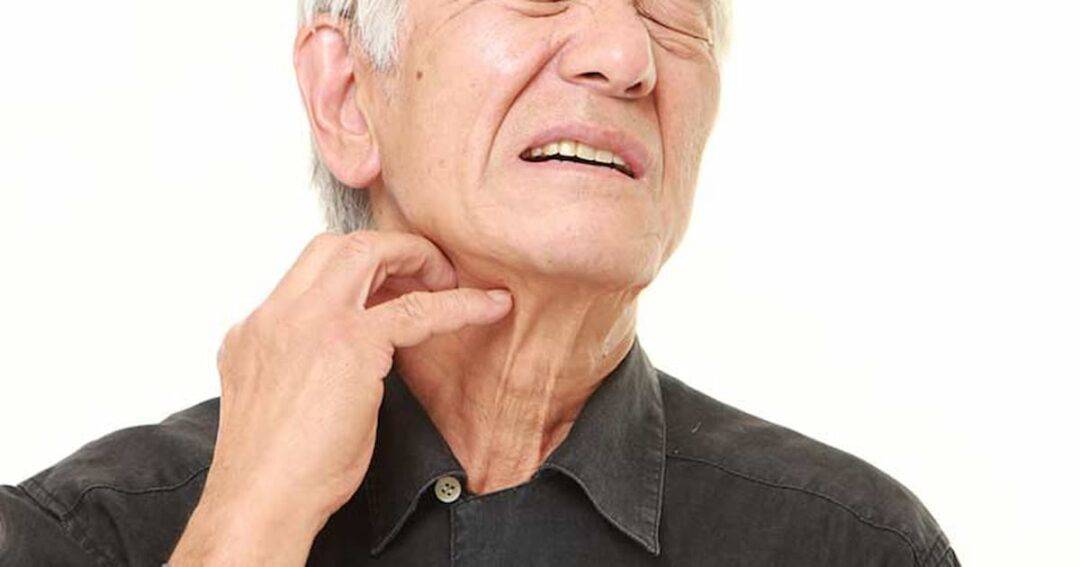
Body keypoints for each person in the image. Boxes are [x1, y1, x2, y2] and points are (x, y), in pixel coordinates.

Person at [0, 0, 960, 565]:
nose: (625, 57)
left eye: (672, 10)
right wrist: (249, 523)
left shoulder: (847, 544)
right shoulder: (88, 536)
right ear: (346, 97)